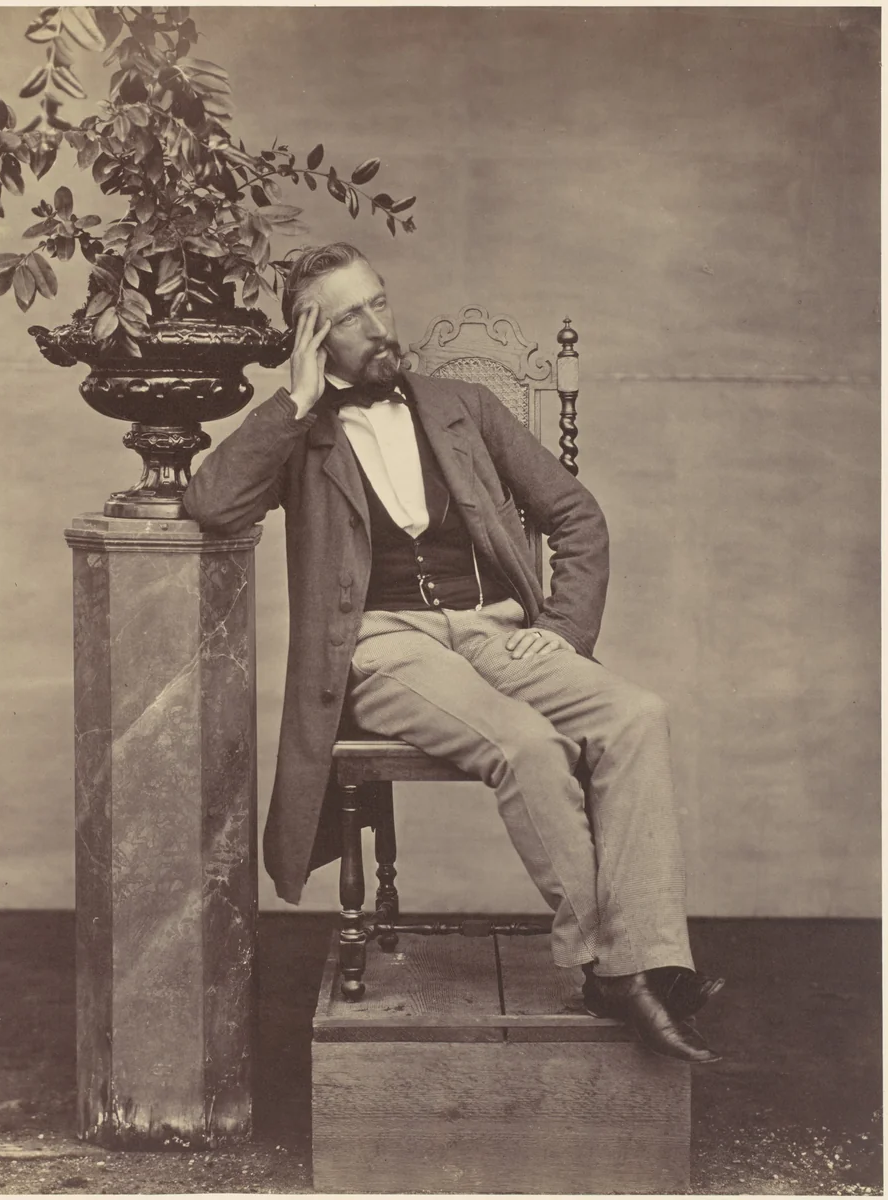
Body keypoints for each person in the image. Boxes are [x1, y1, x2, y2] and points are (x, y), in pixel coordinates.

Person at [183, 242, 724, 1064]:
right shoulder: (301, 433)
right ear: (310, 337)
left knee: (636, 715)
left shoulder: (460, 405)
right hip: (383, 647)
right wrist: (291, 403)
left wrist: (565, 633)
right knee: (528, 744)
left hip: (494, 629)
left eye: (379, 302)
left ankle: (646, 962)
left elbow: (577, 516)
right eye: (348, 317)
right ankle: (612, 968)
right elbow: (214, 505)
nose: (376, 326)